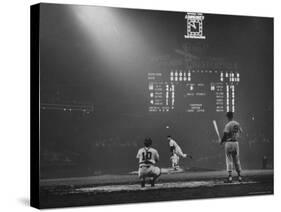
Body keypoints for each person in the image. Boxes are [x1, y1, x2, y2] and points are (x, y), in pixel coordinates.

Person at [221, 112, 243, 183]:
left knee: (229, 160)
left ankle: (230, 177)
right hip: (236, 143)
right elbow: (241, 131)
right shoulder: (237, 123)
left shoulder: (228, 125)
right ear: (232, 116)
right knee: (237, 160)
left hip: (229, 143)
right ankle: (239, 176)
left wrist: (221, 141)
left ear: (227, 117)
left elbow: (225, 135)